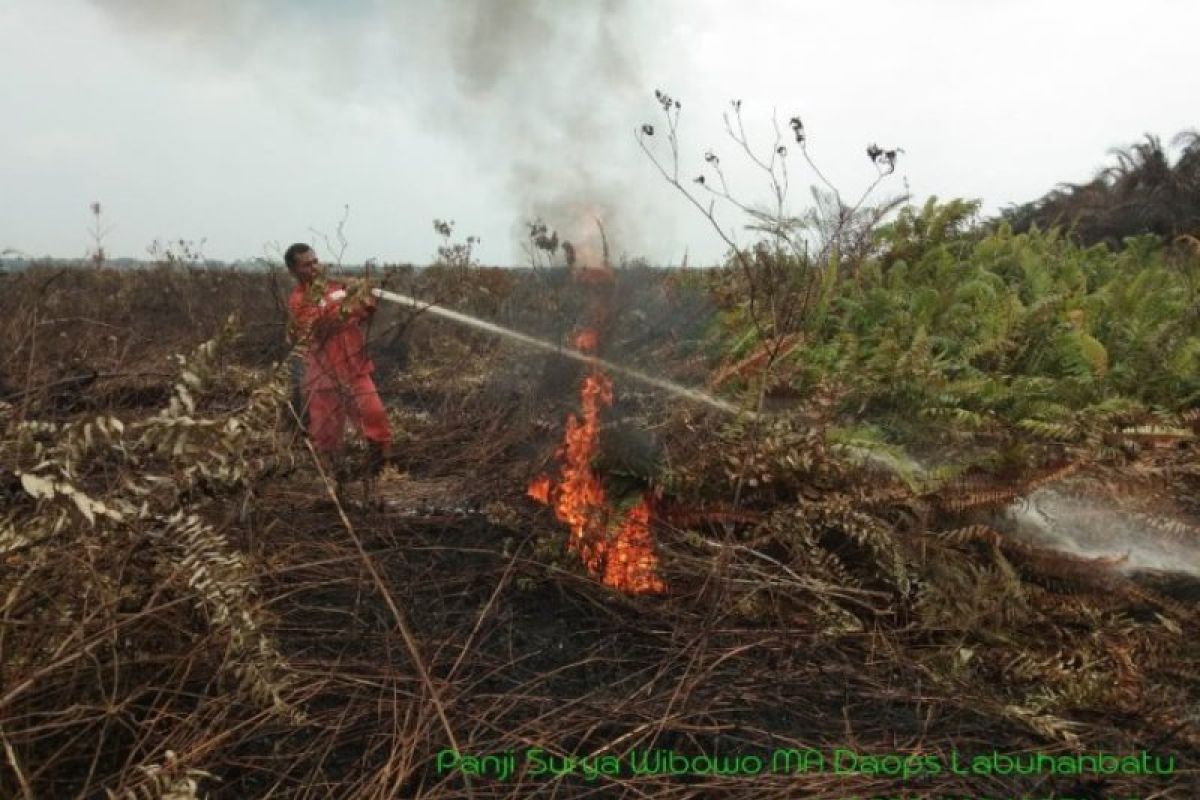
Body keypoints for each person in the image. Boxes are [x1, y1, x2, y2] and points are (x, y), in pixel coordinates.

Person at [284, 242, 392, 482]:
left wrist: (365, 296)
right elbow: (320, 326)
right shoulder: (299, 301)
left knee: (375, 418)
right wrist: (349, 304)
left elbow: (364, 311)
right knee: (326, 437)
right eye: (306, 265)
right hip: (324, 376)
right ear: (293, 271)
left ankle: (382, 474)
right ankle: (332, 481)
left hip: (355, 367)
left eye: (315, 262)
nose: (314, 268)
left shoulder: (336, 287)